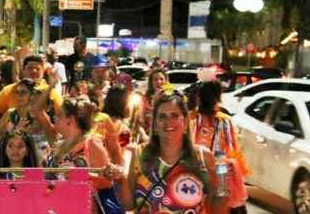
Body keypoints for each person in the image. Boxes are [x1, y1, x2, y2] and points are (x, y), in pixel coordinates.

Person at [105, 90, 228, 214]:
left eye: (175, 116)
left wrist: (225, 184)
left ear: (185, 122)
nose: (168, 122)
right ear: (155, 125)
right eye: (162, 117)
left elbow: (216, 210)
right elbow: (128, 205)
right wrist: (120, 180)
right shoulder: (138, 154)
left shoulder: (203, 157)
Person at [45, 97, 121, 214]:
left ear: (70, 120)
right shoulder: (57, 146)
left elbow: (106, 181)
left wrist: (79, 174)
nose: (54, 118)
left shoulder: (91, 143)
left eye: (59, 115)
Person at [190, 81, 248, 212]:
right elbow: (232, 150)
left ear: (198, 98)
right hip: (221, 170)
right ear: (217, 98)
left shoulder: (191, 119)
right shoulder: (226, 120)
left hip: (195, 171)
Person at [0, 55, 63, 129]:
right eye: (30, 68)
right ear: (23, 70)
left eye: (38, 69)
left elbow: (62, 117)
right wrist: (12, 125)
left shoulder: (52, 93)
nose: (34, 71)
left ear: (43, 72)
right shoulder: (8, 90)